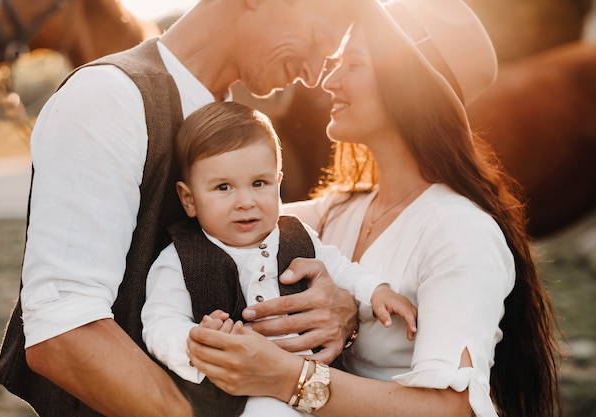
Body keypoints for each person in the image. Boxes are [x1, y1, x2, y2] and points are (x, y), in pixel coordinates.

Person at [186, 1, 564, 417]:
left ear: (407, 85)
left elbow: (453, 408)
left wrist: (287, 377)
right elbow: (212, 217)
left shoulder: (459, 231)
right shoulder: (338, 212)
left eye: (354, 63)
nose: (329, 80)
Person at [0, 1, 370, 416]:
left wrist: (345, 307)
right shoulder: (107, 98)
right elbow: (63, 335)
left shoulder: (234, 126)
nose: (315, 75)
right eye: (318, 40)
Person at [141, 100, 418, 417]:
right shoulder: (179, 257)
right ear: (189, 199)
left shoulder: (297, 236)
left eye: (259, 183)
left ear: (278, 183)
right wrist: (197, 340)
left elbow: (342, 270)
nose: (245, 201)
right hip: (241, 399)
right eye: (223, 187)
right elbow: (159, 323)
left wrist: (376, 291)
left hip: (320, 386)